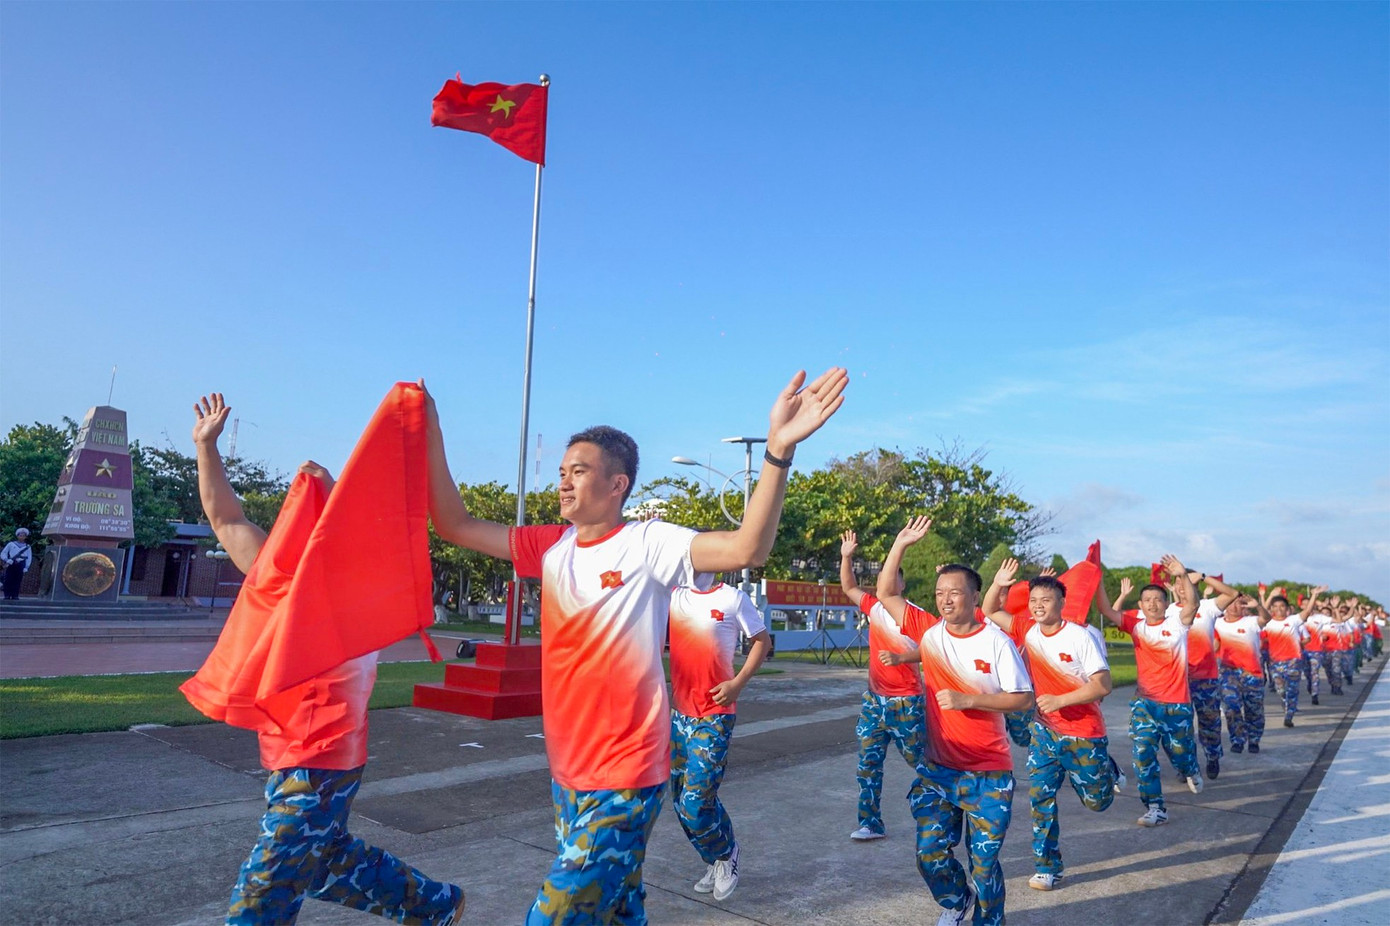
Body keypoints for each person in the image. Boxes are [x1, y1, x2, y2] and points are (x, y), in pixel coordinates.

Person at [424, 368, 847, 925]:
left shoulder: (647, 543)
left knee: (554, 915)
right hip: (569, 770)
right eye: (562, 472)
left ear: (617, 484)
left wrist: (777, 450)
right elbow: (453, 524)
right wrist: (426, 427)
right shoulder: (549, 547)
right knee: (619, 907)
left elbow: (749, 545)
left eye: (579, 471)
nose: (564, 483)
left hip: (627, 769)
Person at [188, 393, 464, 926]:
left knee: (267, 884)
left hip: (327, 756)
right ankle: (434, 904)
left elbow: (389, 509)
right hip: (286, 753)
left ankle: (432, 905)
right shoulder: (278, 581)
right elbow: (226, 518)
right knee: (323, 860)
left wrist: (418, 426)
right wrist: (206, 447)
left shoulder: (367, 589)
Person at [874, 517, 1033, 926]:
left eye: (955, 593)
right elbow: (886, 592)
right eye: (940, 593)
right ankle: (956, 901)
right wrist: (900, 543)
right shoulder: (928, 633)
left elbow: (1023, 698)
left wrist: (971, 699)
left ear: (974, 596)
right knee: (930, 854)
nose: (946, 600)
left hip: (987, 773)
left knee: (984, 865)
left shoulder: (995, 642)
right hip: (938, 770)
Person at [981, 559, 1123, 893]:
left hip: (1084, 733)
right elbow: (989, 610)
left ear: (1061, 603)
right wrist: (999, 583)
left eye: (1046, 600)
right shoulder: (1027, 629)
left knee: (1097, 802)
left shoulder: (1079, 637)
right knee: (1039, 797)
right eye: (1034, 601)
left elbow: (1103, 685)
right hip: (1044, 732)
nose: (1038, 606)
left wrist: (1060, 700)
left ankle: (1108, 770)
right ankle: (1047, 867)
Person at [666, 579, 771, 900]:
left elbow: (762, 641)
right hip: (680, 715)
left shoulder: (733, 599)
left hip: (715, 714)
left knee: (696, 804)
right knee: (682, 802)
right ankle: (714, 858)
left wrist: (738, 683)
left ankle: (726, 855)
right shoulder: (674, 597)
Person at [838, 529, 929, 842]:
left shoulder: (915, 616)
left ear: (901, 584)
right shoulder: (874, 608)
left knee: (923, 763)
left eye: (893, 580)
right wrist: (846, 556)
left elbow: (935, 650)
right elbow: (848, 586)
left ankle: (941, 814)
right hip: (874, 702)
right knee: (868, 764)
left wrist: (903, 657)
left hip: (908, 703)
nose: (887, 585)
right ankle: (870, 823)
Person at [1096, 558, 1202, 827]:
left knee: (1181, 753)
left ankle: (1190, 768)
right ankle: (1155, 807)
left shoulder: (1178, 623)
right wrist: (1096, 578)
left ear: (1166, 604)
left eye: (1158, 599)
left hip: (1177, 704)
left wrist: (1182, 576)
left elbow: (1193, 604)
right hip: (1144, 704)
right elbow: (1107, 610)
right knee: (1142, 753)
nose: (1153, 603)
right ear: (1141, 605)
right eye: (1147, 600)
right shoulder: (1136, 626)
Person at [1178, 571, 1237, 780]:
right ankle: (1186, 765)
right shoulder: (1166, 611)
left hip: (1205, 678)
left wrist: (1202, 576)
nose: (1182, 587)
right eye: (1178, 583)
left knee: (1209, 722)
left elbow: (1232, 593)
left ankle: (1212, 756)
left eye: (1185, 582)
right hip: (1178, 681)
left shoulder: (1207, 607)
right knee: (1181, 726)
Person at [1214, 592, 1273, 753]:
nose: (1233, 606)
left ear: (1243, 606)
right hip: (1228, 672)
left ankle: (1254, 739)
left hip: (1252, 673)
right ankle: (1238, 739)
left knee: (1254, 709)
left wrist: (1259, 606)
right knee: (1231, 706)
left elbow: (1266, 619)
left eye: (1238, 603)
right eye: (1230, 603)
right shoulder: (1217, 623)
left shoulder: (1251, 622)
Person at [1261, 586, 1318, 728]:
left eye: (1282, 606)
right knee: (1281, 689)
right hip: (1275, 662)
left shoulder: (1293, 620)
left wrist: (1314, 596)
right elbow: (1261, 614)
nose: (1279, 609)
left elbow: (1306, 612)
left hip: (1293, 660)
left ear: (1287, 608)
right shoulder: (1267, 624)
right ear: (1272, 609)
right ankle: (1286, 703)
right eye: (1275, 606)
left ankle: (1289, 716)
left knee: (1292, 689)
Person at [1, 528, 33, 600]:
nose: (21, 537)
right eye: (20, 535)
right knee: (9, 579)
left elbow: (29, 557)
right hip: (12, 563)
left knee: (18, 580)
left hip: (21, 563)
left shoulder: (27, 546)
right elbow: (3, 553)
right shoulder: (11, 544)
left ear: (26, 537)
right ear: (17, 536)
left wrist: (26, 567)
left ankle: (15, 595)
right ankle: (7, 595)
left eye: (23, 535)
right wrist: (7, 559)